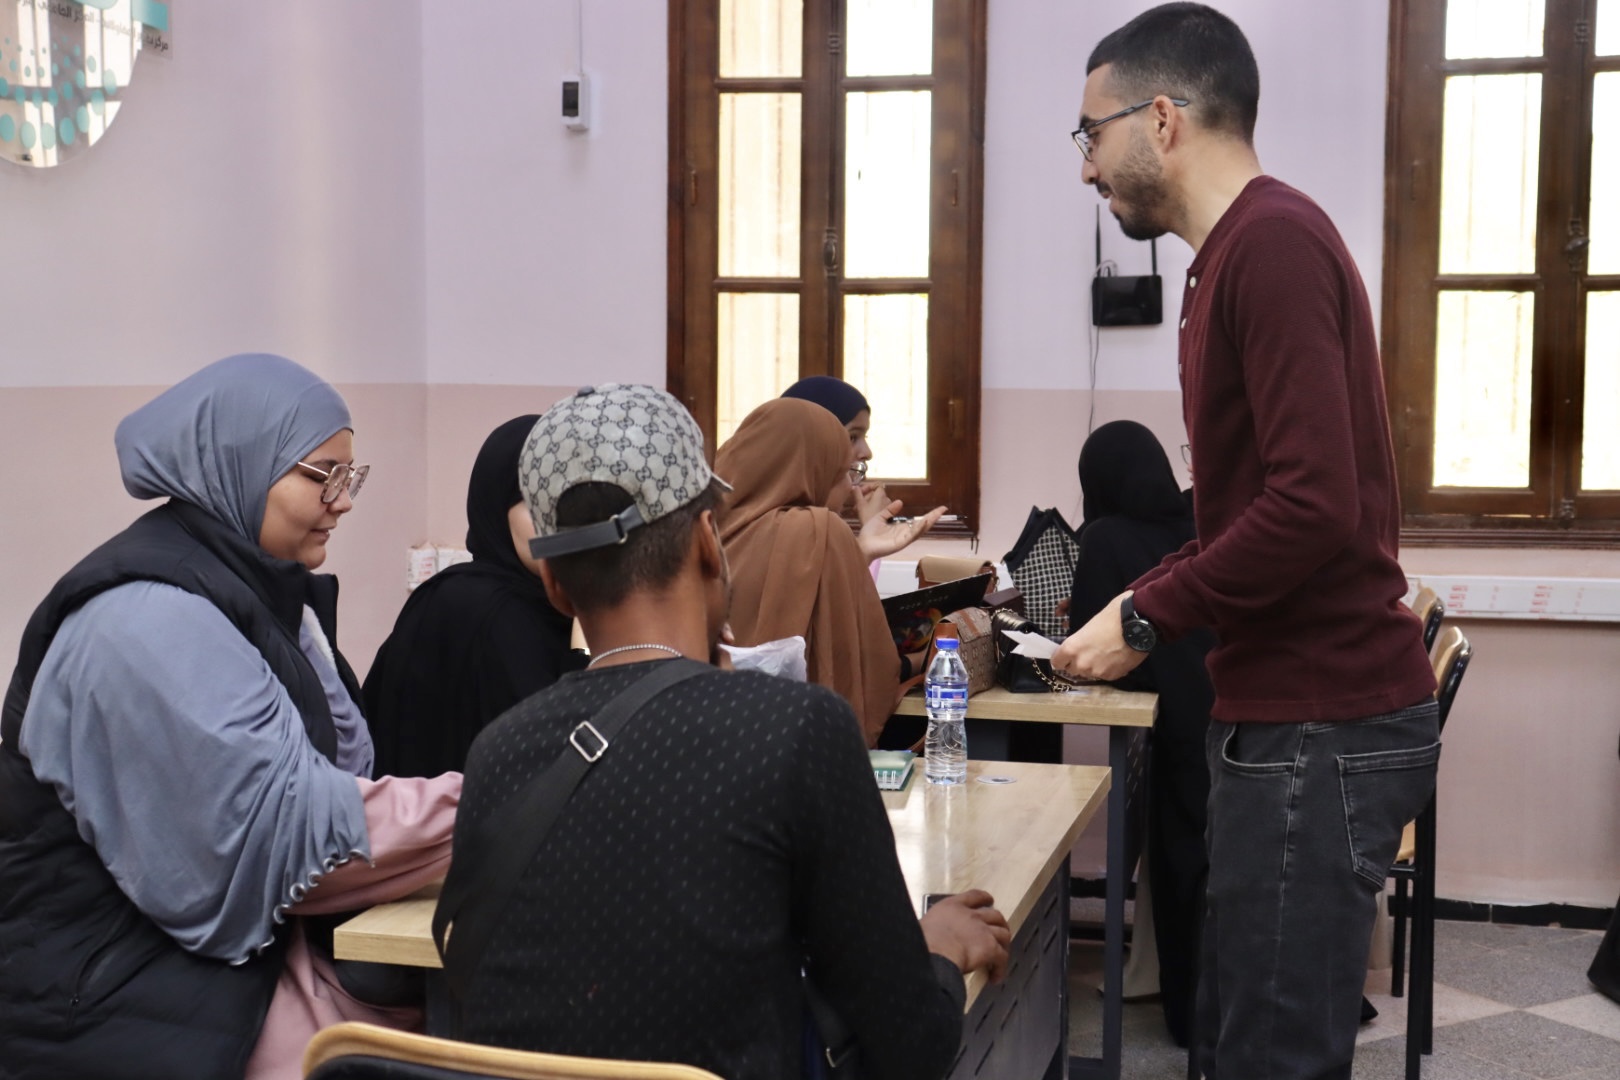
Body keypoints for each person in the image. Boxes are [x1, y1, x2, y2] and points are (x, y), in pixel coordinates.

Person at [1051, 7, 1440, 1078]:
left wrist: (1146, 614)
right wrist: (1141, 593)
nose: (1085, 168)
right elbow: (1249, 511)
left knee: (1271, 1054)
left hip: (1321, 718)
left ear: (1161, 119)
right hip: (1285, 711)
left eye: (1090, 133)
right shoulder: (1229, 257)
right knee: (1233, 1036)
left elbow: (1314, 508)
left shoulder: (1270, 245)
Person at [440, 383, 1010, 1079]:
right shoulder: (795, 730)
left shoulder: (499, 751)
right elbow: (911, 1044)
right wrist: (938, 951)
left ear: (555, 584)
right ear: (710, 544)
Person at [0, 354, 460, 1080]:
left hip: (195, 970)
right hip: (109, 995)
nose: (343, 501)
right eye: (323, 476)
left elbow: (337, 769)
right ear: (237, 465)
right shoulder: (143, 619)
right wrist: (487, 803)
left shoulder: (259, 590)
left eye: (351, 476)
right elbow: (285, 831)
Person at [1065, 420, 1214, 1048]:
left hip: (1174, 722)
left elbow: (1093, 648)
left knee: (1181, 860)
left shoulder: (1105, 537)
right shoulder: (1200, 524)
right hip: (1224, 711)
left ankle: (1191, 1018)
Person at [364, 414, 584, 777]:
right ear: (496, 505)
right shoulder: (487, 610)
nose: (558, 522)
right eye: (537, 503)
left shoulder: (545, 604)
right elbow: (553, 761)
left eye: (571, 501)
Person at [716, 397, 922, 745]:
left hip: (703, 742)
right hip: (792, 749)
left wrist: (860, 549)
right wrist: (924, 659)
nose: (849, 488)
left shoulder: (698, 532)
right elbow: (869, 670)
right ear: (812, 471)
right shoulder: (818, 532)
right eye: (845, 473)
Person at [781, 374, 946, 552]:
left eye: (864, 437)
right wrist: (867, 545)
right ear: (812, 444)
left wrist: (871, 532)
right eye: (852, 437)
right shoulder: (785, 530)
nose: (867, 453)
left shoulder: (819, 526)